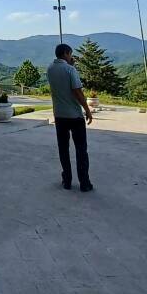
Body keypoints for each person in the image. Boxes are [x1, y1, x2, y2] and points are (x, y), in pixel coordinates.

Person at [46, 43, 93, 191]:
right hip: (74, 116)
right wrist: (87, 110)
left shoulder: (50, 69)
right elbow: (78, 92)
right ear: (66, 53)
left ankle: (67, 180)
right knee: (81, 150)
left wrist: (70, 66)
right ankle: (84, 183)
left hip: (59, 115)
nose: (71, 56)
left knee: (63, 149)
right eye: (70, 54)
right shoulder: (70, 69)